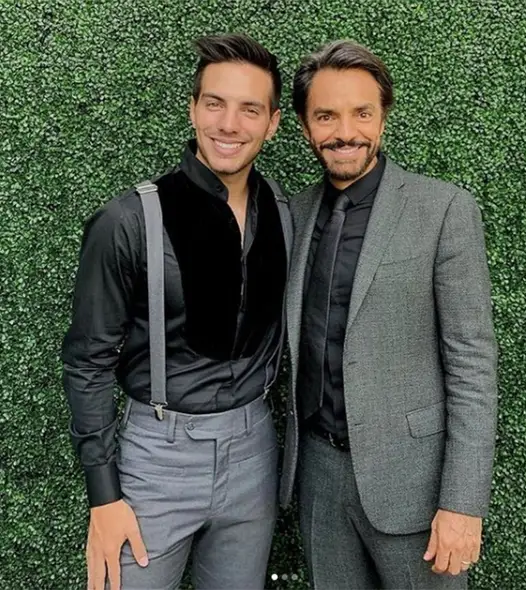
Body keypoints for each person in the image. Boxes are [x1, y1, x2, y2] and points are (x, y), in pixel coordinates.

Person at [61, 33, 290, 590]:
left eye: (249, 109)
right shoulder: (130, 219)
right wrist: (104, 497)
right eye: (214, 103)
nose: (229, 124)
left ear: (273, 123)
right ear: (193, 109)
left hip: (255, 450)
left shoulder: (283, 211)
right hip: (155, 462)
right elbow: (88, 360)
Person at [279, 39, 499, 589]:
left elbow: (473, 364)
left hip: (417, 491)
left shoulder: (443, 209)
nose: (344, 131)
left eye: (362, 113)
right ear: (305, 127)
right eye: (326, 115)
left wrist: (462, 504)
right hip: (319, 481)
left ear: (383, 117)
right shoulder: (295, 214)